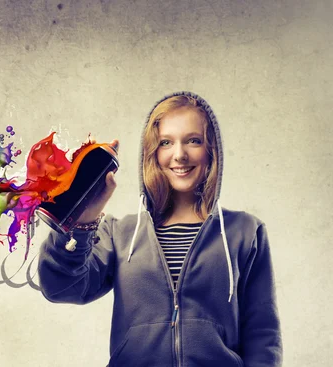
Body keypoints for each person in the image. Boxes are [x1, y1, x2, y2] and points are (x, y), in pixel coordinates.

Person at [38, 91, 282, 366]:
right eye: (166, 142)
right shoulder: (119, 233)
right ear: (153, 153)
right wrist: (81, 220)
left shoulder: (245, 232)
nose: (179, 155)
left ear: (211, 149)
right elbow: (61, 288)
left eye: (193, 140)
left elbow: (263, 334)